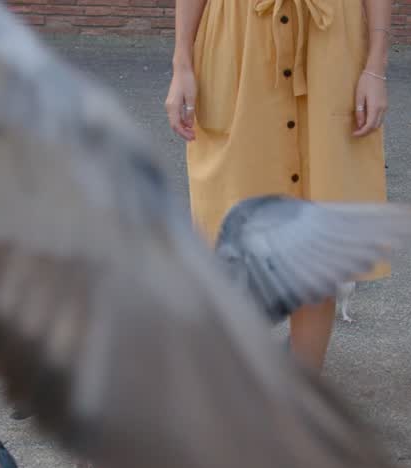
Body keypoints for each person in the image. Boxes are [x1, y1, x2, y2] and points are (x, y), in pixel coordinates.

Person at [165, 0, 393, 372]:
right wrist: (182, 65)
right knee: (227, 230)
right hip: (238, 49)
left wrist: (375, 67)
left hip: (329, 51)